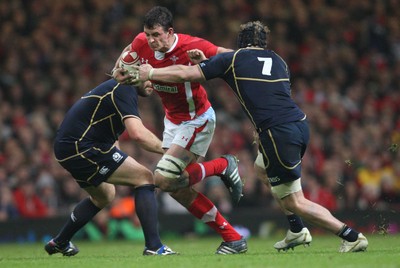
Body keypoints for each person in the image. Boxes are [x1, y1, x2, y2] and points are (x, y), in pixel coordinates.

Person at [133, 21, 369, 253]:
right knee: (261, 169)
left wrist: (152, 72)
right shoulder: (279, 61)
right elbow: (259, 86)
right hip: (298, 124)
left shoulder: (234, 58)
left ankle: (350, 236)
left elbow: (187, 72)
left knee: (294, 201)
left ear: (241, 43)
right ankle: (297, 230)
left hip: (277, 133)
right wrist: (208, 62)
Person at [112, 6, 247, 255]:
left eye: (156, 35)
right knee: (175, 188)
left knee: (162, 179)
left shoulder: (191, 45)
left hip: (197, 120)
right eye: (147, 34)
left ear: (170, 32)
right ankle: (233, 238)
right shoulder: (141, 42)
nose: (151, 40)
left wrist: (208, 62)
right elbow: (121, 66)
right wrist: (125, 74)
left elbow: (233, 58)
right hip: (172, 121)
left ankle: (222, 166)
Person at [44, 78, 176, 256]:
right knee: (145, 177)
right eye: (148, 77)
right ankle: (154, 246)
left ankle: (60, 241)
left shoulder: (117, 90)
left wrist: (120, 160)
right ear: (134, 74)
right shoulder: (125, 89)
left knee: (104, 196)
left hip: (70, 147)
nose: (151, 83)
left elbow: (110, 133)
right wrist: (171, 152)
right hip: (81, 147)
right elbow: (138, 135)